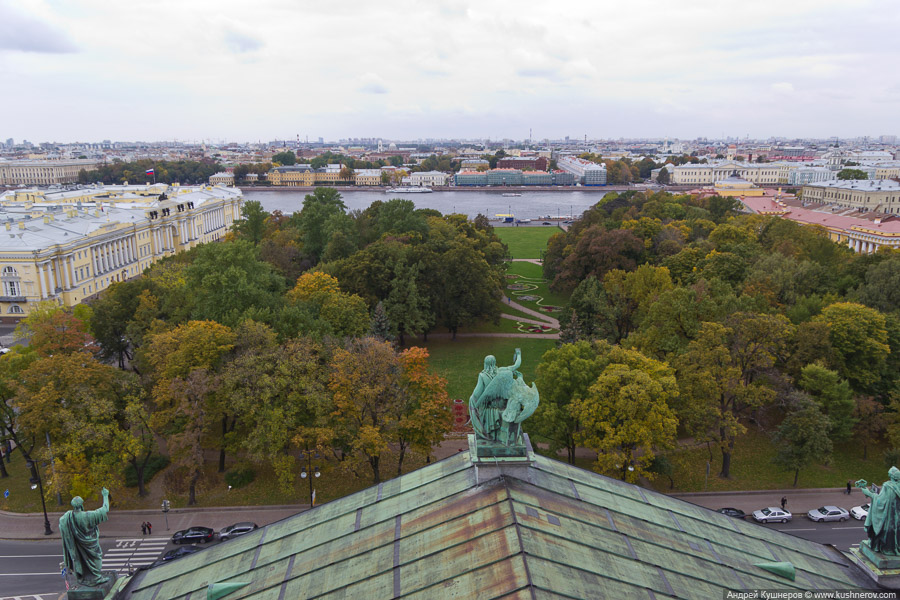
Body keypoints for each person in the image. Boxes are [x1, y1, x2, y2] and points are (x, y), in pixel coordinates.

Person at [59, 487, 110, 587]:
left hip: (79, 548)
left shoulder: (68, 517)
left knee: (83, 561)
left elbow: (61, 524)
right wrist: (105, 495)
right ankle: (96, 578)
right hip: (91, 546)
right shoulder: (88, 516)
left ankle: (87, 578)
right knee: (96, 559)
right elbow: (105, 509)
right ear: (81, 505)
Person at [857, 467, 900, 555]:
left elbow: (880, 501)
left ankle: (882, 547)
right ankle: (894, 547)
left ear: (890, 475)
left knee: (883, 530)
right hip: (897, 517)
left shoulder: (888, 486)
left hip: (888, 517)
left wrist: (869, 493)